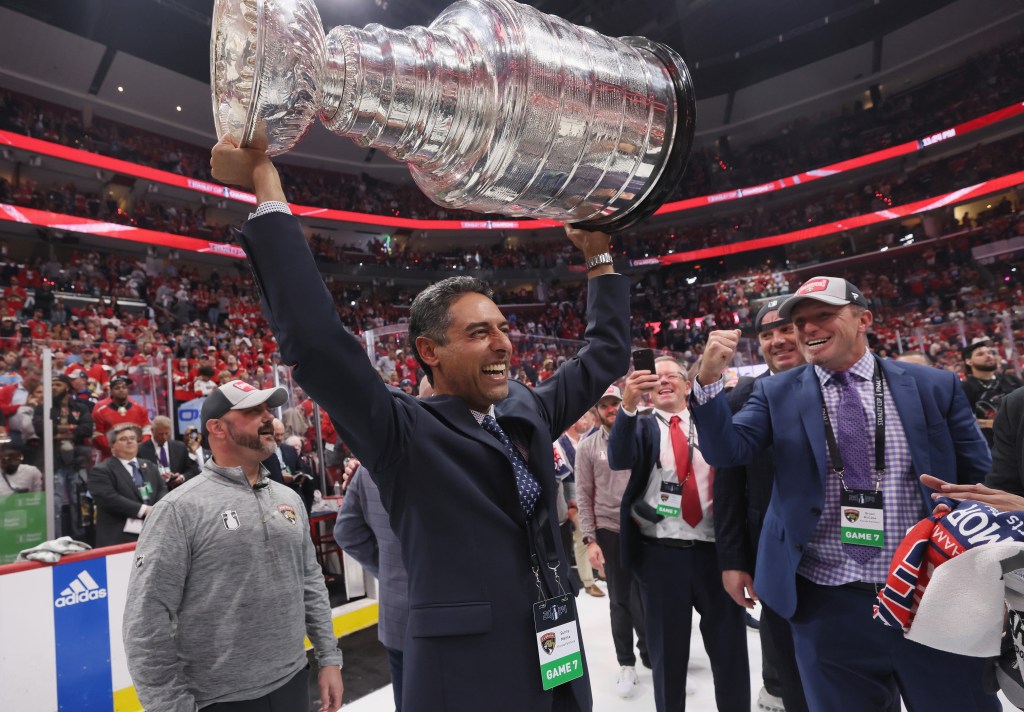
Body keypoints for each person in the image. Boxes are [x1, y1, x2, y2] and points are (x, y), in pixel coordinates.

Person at [212, 134, 630, 712]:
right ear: (429, 351)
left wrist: (600, 255)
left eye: (503, 328)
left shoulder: (526, 408)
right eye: (479, 333)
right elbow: (316, 342)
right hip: (468, 679)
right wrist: (267, 189)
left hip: (557, 658)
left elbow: (606, 353)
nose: (503, 343)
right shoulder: (402, 433)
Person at [690, 276, 999, 711]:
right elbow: (726, 451)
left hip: (930, 597)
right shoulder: (774, 392)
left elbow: (980, 481)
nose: (809, 329)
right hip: (827, 602)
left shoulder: (932, 386)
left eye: (823, 315)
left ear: (864, 320)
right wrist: (706, 381)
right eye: (800, 322)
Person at [122, 380, 343, 712]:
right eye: (253, 411)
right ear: (217, 428)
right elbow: (145, 621)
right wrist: (170, 706)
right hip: (217, 699)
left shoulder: (288, 499)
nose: (268, 418)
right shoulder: (178, 510)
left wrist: (328, 657)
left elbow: (310, 582)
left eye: (268, 409)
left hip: (294, 679)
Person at [608, 355, 749, 712]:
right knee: (667, 656)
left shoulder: (714, 424)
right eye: (656, 377)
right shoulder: (639, 427)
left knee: (730, 652)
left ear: (689, 385)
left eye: (673, 375)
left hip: (719, 554)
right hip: (660, 556)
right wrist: (626, 403)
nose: (664, 381)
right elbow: (619, 457)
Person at [712, 297, 808, 712]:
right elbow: (729, 487)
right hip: (773, 554)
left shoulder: (844, 384)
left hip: (852, 548)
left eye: (786, 329)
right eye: (767, 334)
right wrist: (732, 559)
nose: (777, 340)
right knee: (788, 662)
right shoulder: (743, 397)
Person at [576, 385, 649, 698]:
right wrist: (591, 539)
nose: (610, 409)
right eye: (604, 405)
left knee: (650, 596)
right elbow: (583, 494)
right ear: (597, 410)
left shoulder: (644, 436)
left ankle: (653, 654)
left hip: (647, 527)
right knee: (620, 599)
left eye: (615, 403)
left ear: (625, 403)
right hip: (610, 529)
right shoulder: (588, 447)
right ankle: (626, 663)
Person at [335, 464, 410, 711]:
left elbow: (347, 532)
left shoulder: (367, 468)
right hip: (462, 621)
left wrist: (387, 571)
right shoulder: (457, 453)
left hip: (398, 618)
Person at [33, 372, 94, 538]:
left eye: (57, 384)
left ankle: (81, 539)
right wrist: (73, 430)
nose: (53, 388)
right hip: (54, 461)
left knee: (80, 503)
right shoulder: (44, 408)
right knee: (55, 504)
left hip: (78, 462)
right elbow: (40, 429)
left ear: (67, 387)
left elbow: (87, 429)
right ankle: (56, 539)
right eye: (51, 385)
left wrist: (58, 431)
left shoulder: (81, 407)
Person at [88, 422, 166, 548]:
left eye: (132, 438)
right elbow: (109, 498)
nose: (129, 442)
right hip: (119, 539)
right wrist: (144, 510)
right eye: (123, 439)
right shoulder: (101, 471)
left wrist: (158, 508)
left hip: (152, 534)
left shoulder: (149, 465)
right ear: (112, 446)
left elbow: (162, 489)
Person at [554, 411, 604, 597]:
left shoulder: (592, 438)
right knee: (583, 538)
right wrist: (568, 506)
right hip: (573, 497)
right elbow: (563, 480)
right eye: (581, 417)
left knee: (598, 535)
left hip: (596, 493)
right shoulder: (560, 443)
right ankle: (588, 581)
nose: (586, 421)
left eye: (586, 417)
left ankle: (600, 571)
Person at [961, 337, 1022, 446]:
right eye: (980, 354)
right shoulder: (965, 388)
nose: (988, 356)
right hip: (994, 447)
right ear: (968, 361)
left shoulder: (1011, 380)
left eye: (990, 352)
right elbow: (964, 420)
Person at [92, 374, 152, 459]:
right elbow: (97, 437)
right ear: (111, 391)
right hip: (110, 459)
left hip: (136, 457)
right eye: (117, 388)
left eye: (124, 387)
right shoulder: (101, 412)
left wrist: (138, 446)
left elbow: (147, 431)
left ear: (128, 390)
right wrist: (116, 448)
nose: (121, 390)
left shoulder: (140, 409)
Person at [138, 415, 200, 490]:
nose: (164, 437)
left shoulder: (180, 447)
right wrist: (158, 478)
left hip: (177, 491)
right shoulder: (141, 450)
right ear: (152, 431)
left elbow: (193, 469)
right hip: (155, 493)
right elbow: (139, 476)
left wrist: (182, 477)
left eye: (166, 433)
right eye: (160, 434)